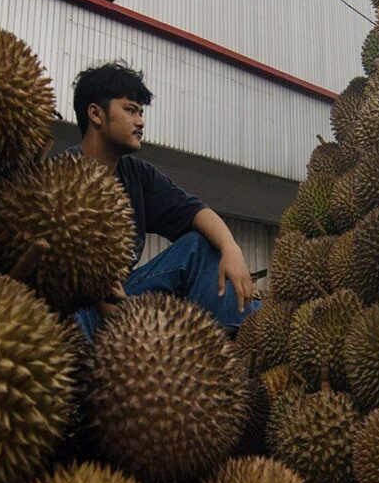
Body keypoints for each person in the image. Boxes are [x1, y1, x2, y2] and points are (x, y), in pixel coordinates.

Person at [67, 61, 259, 340]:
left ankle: (242, 342)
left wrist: (232, 249)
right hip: (80, 303)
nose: (140, 121)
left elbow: (194, 211)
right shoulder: (61, 175)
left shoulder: (138, 176)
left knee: (202, 245)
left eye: (141, 112)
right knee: (62, 306)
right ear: (96, 114)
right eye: (130, 110)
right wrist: (102, 298)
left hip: (125, 297)